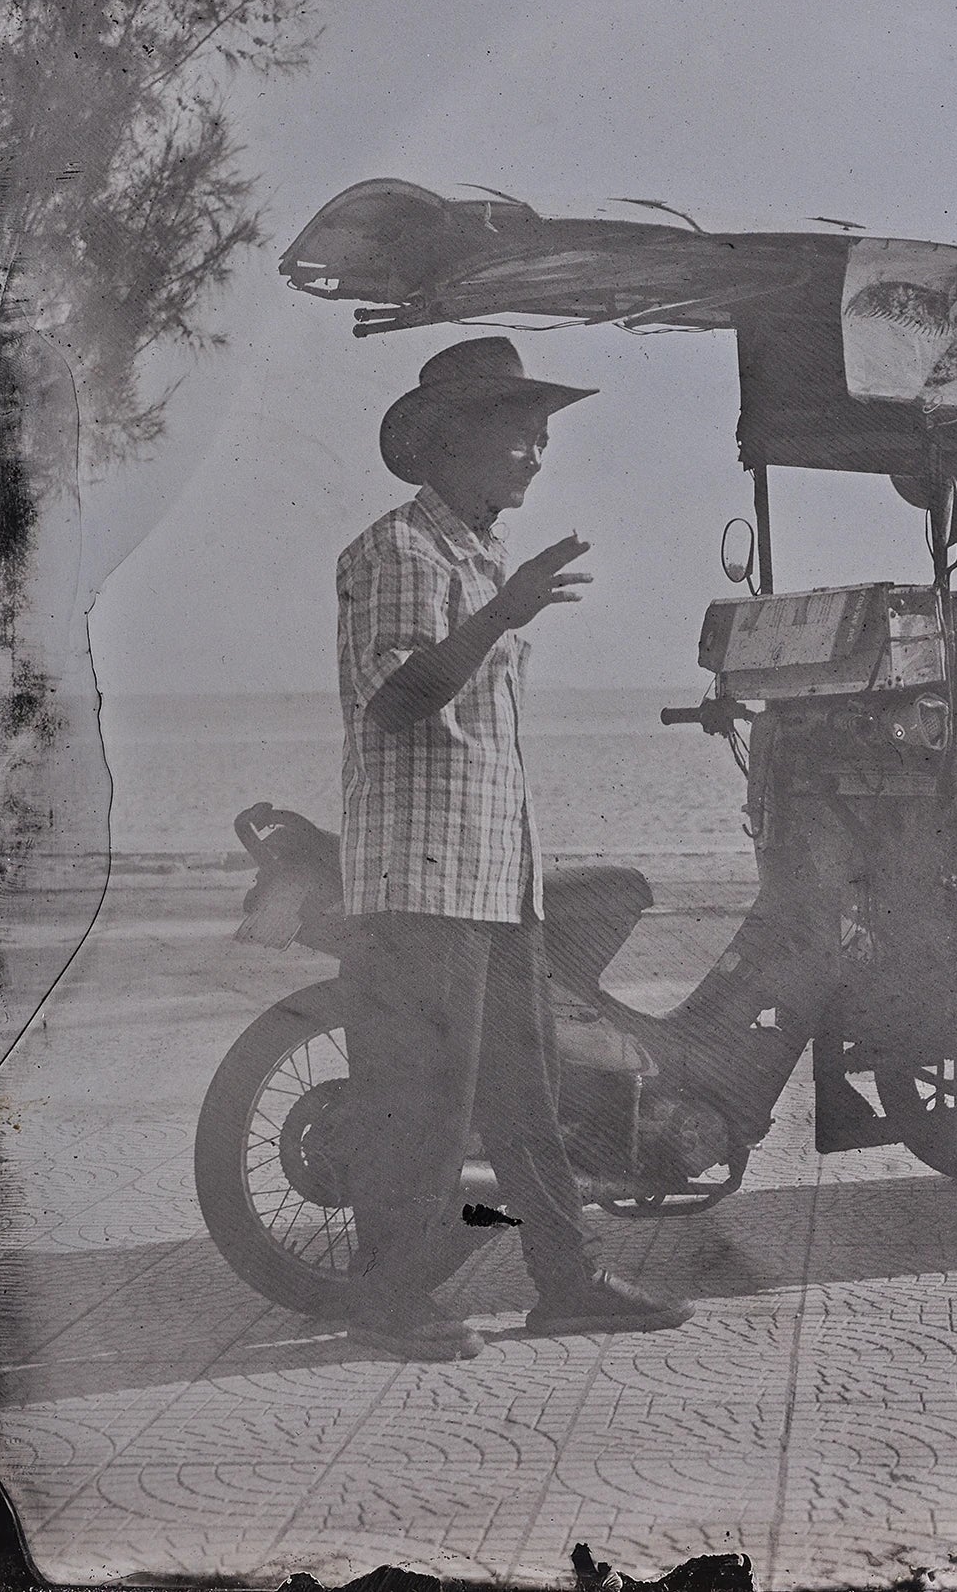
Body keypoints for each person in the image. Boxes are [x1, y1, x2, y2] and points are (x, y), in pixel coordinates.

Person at [335, 336, 693, 1359]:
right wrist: (501, 611)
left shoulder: (477, 557)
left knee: (527, 1098)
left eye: (542, 437)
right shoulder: (397, 551)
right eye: (519, 433)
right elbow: (400, 700)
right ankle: (391, 1299)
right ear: (452, 442)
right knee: (423, 1106)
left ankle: (566, 1282)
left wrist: (500, 600)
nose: (536, 453)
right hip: (419, 882)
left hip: (493, 876)